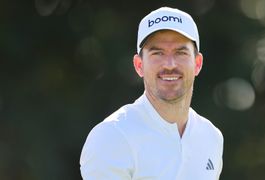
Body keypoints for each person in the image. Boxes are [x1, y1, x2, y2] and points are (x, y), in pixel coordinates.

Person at [80, 7, 224, 180]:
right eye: (157, 53)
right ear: (139, 65)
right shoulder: (111, 136)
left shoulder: (211, 137)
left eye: (180, 52)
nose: (169, 64)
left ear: (198, 63)